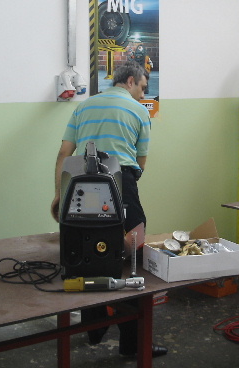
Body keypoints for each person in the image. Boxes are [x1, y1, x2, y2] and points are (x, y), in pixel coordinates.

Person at [50, 61, 167, 358]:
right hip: (120, 180)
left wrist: (60, 194)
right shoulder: (139, 111)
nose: (143, 94)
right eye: (142, 87)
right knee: (131, 256)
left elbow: (64, 153)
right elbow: (141, 162)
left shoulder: (84, 107)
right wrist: (125, 188)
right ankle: (132, 344)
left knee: (87, 253)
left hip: (78, 182)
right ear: (130, 81)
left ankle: (94, 328)